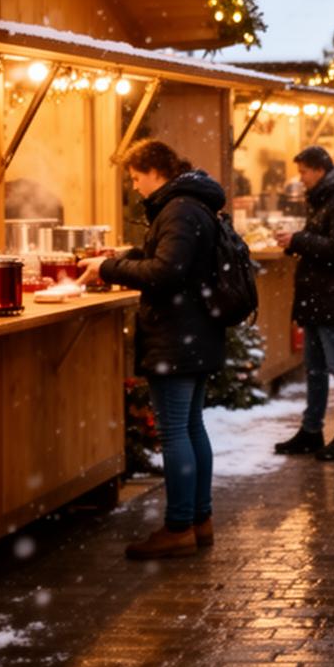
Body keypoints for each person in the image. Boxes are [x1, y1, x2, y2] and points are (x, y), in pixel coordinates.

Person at [80, 140, 227, 561]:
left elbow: (166, 271)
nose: (135, 187)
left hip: (178, 334)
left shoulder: (179, 207)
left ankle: (179, 526)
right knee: (192, 427)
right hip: (195, 332)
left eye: (135, 178)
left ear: (155, 172)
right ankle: (200, 520)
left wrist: (109, 269)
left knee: (175, 431)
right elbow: (165, 256)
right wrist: (121, 258)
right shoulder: (192, 203)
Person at [273, 147, 334, 463]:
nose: (300, 179)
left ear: (319, 170)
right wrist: (297, 242)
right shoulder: (326, 198)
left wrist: (298, 241)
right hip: (319, 297)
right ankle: (311, 430)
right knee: (314, 369)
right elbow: (325, 243)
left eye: (303, 172)